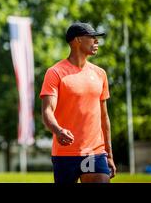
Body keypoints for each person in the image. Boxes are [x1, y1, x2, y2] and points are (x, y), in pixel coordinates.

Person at [40, 22, 116, 183]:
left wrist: (109, 154)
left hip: (95, 153)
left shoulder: (100, 74)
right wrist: (58, 130)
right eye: (92, 37)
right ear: (78, 40)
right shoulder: (55, 73)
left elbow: (104, 116)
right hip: (64, 155)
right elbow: (47, 111)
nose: (97, 41)